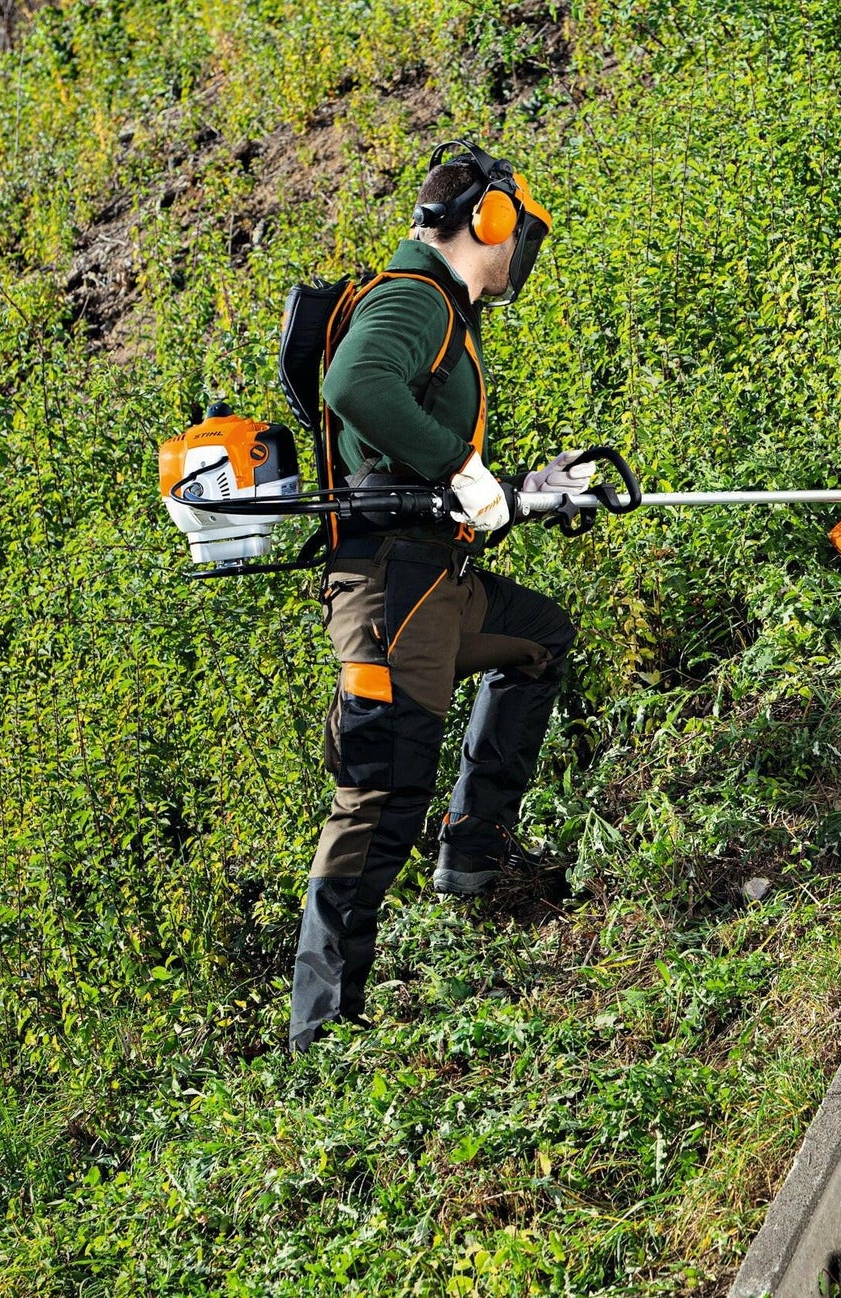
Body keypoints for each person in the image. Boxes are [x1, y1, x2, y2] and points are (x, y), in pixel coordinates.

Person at [288, 141, 589, 1051]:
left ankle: (472, 856)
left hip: (438, 582)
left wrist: (517, 484)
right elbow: (356, 386)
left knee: (539, 639)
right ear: (489, 222)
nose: (521, 252)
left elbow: (419, 457)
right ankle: (322, 1036)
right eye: (518, 232)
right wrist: (460, 464)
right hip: (391, 595)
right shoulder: (415, 299)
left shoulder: (447, 317)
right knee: (381, 795)